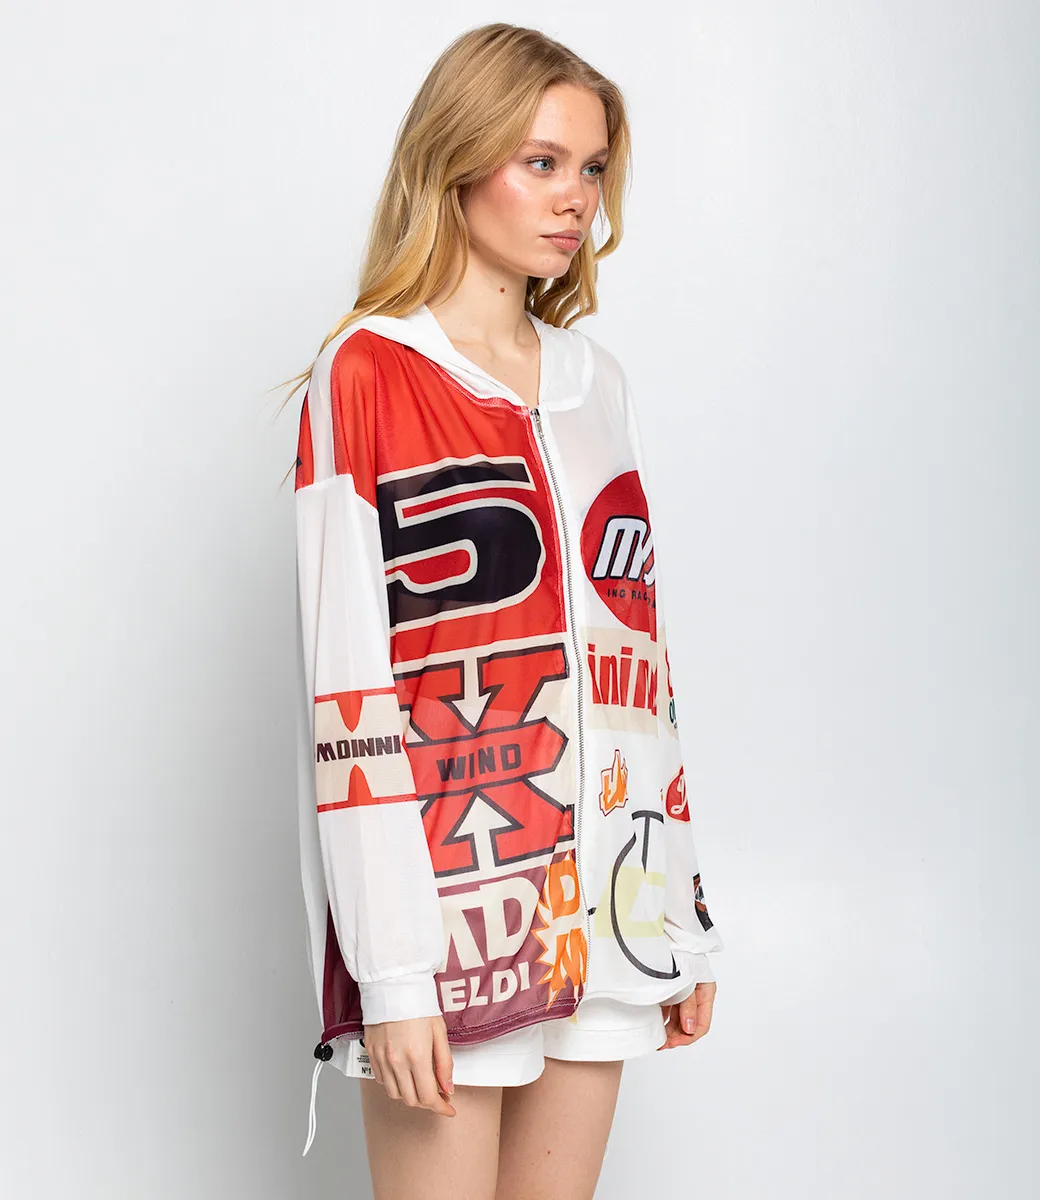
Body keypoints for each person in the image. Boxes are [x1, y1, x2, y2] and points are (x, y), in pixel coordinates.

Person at [281, 22, 724, 1200]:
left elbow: (639, 668)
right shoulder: (366, 372)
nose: (575, 197)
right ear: (455, 160)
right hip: (452, 916)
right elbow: (349, 694)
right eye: (540, 162)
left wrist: (676, 912)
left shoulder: (595, 383)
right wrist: (393, 973)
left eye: (590, 167)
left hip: (608, 901)